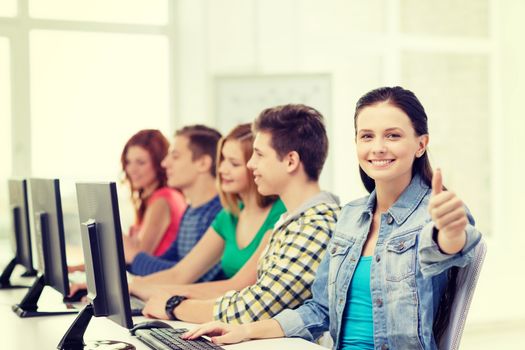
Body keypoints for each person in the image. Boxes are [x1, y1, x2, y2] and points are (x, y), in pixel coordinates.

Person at [182, 86, 483, 349]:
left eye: (393, 135)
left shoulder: (437, 214)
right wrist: (244, 331)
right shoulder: (350, 217)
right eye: (367, 136)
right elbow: (319, 310)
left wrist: (451, 233)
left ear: (420, 144)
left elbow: (450, 245)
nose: (377, 147)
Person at [140, 104, 340, 324]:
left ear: (291, 161)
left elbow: (253, 307)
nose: (251, 164)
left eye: (259, 155)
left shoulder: (315, 225)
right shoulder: (290, 221)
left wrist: (174, 306)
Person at [129, 123, 286, 299]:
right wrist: (130, 285)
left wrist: (155, 291)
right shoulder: (229, 215)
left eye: (233, 164)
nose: (221, 169)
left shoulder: (280, 214)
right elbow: (180, 274)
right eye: (223, 160)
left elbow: (238, 286)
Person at [68, 129, 186, 273]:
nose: (131, 169)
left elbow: (135, 256)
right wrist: (76, 268)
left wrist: (107, 220)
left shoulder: (162, 199)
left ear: (159, 164)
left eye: (141, 162)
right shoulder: (159, 198)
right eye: (128, 162)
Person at [123, 125, 224, 281]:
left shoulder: (219, 213)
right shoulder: (191, 211)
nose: (164, 163)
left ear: (203, 163)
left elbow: (190, 276)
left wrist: (133, 255)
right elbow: (171, 264)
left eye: (175, 156)